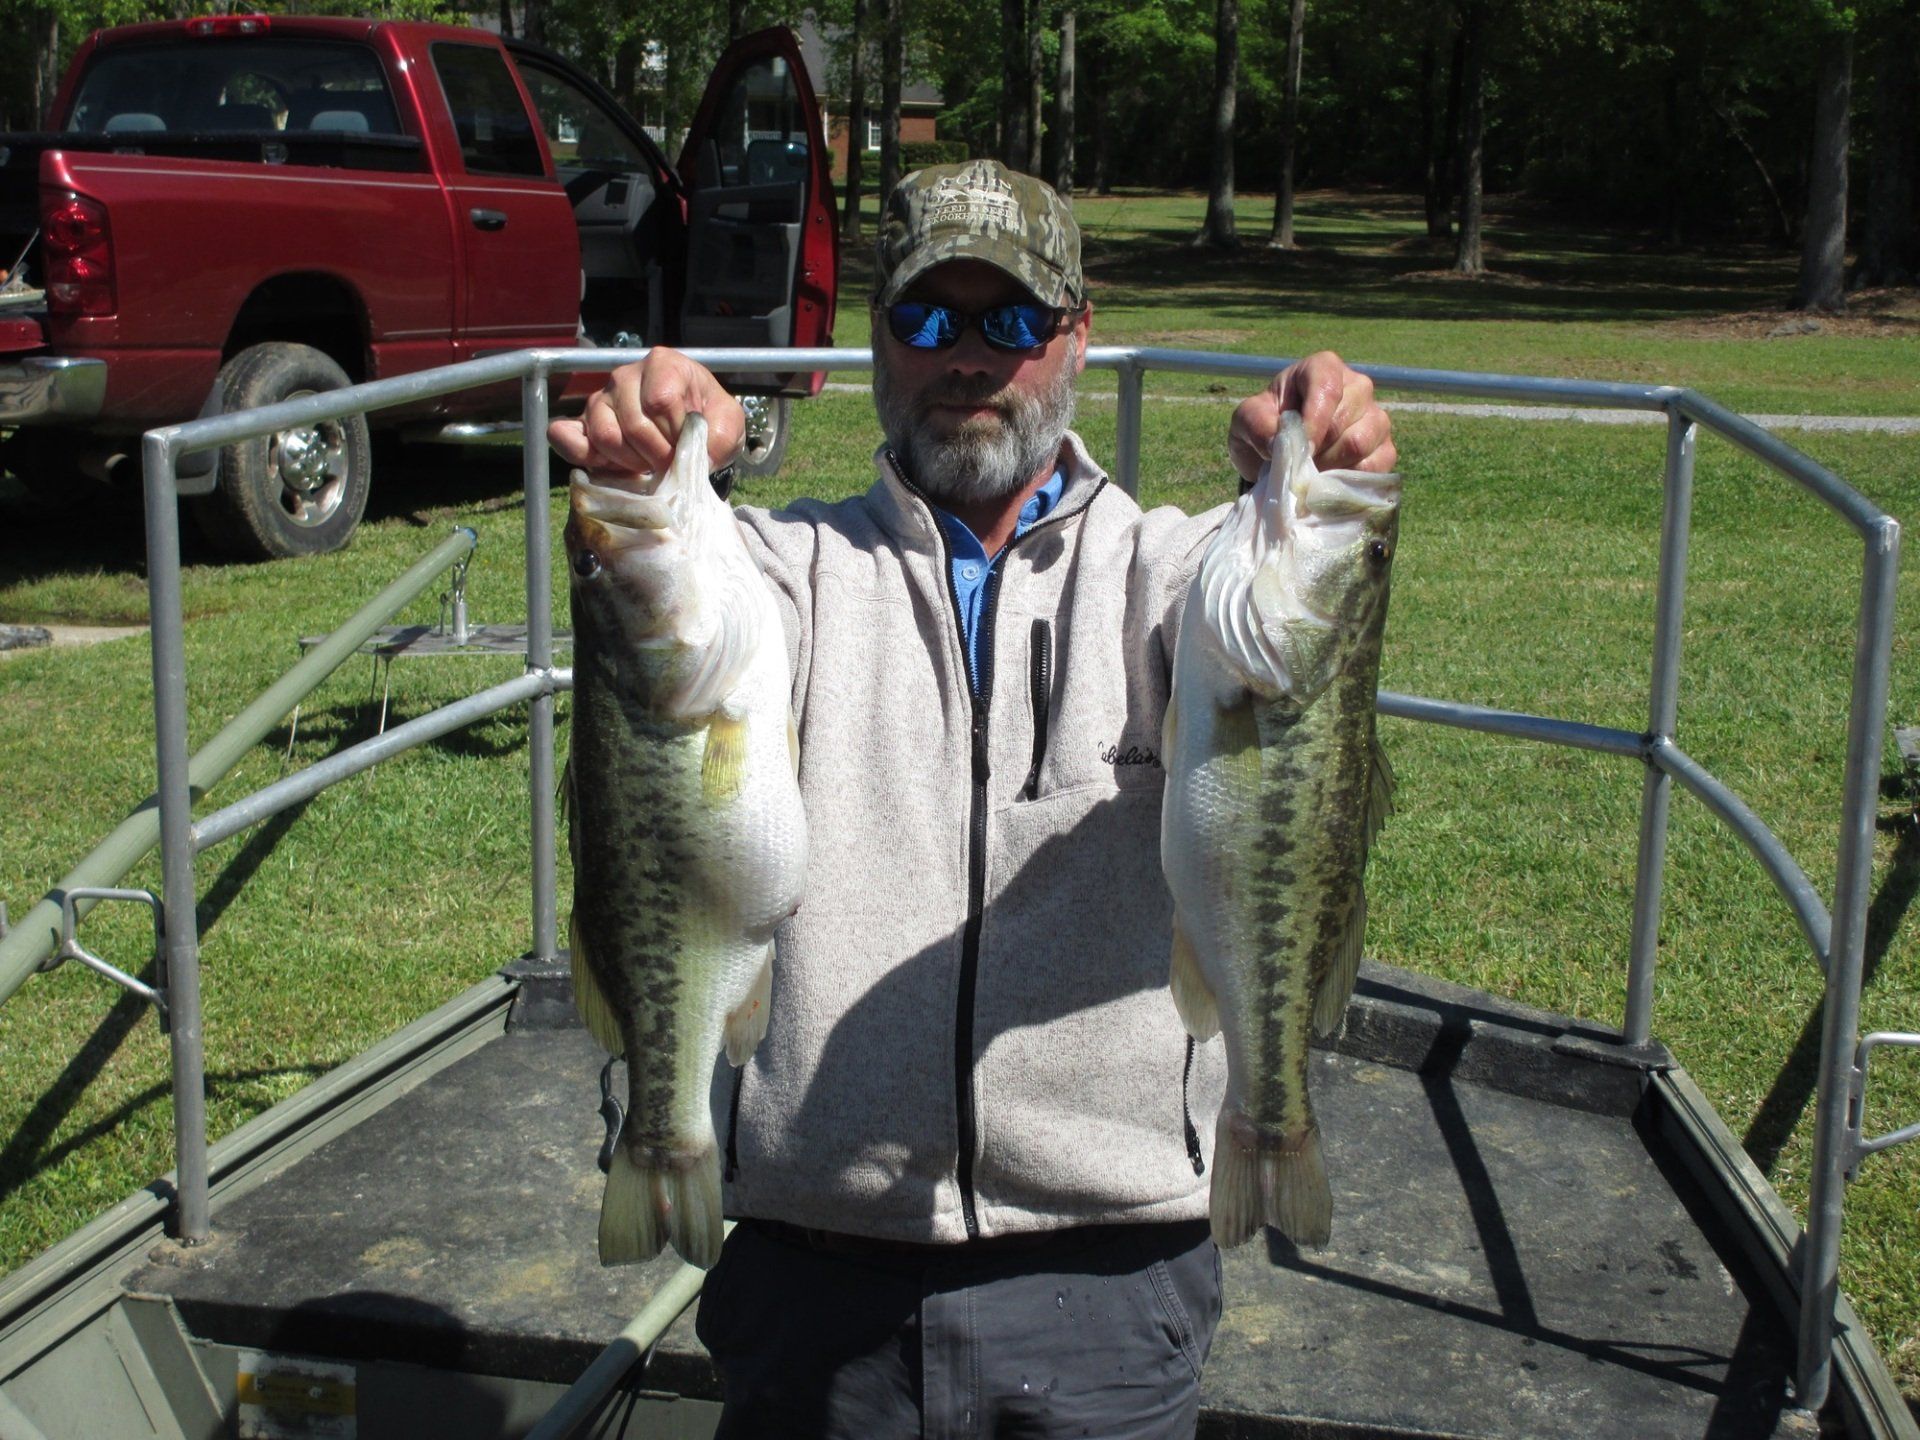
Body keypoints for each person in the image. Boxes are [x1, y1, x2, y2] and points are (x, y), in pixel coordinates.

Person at [549, 159, 1396, 1439]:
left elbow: (1285, 642)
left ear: (1078, 339)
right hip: (812, 1267)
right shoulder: (787, 570)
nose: (968, 359)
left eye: (1011, 321)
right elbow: (673, 620)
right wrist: (644, 477)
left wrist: (1324, 468)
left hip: (1106, 1278)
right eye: (928, 321)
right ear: (876, 343)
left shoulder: (1176, 578)